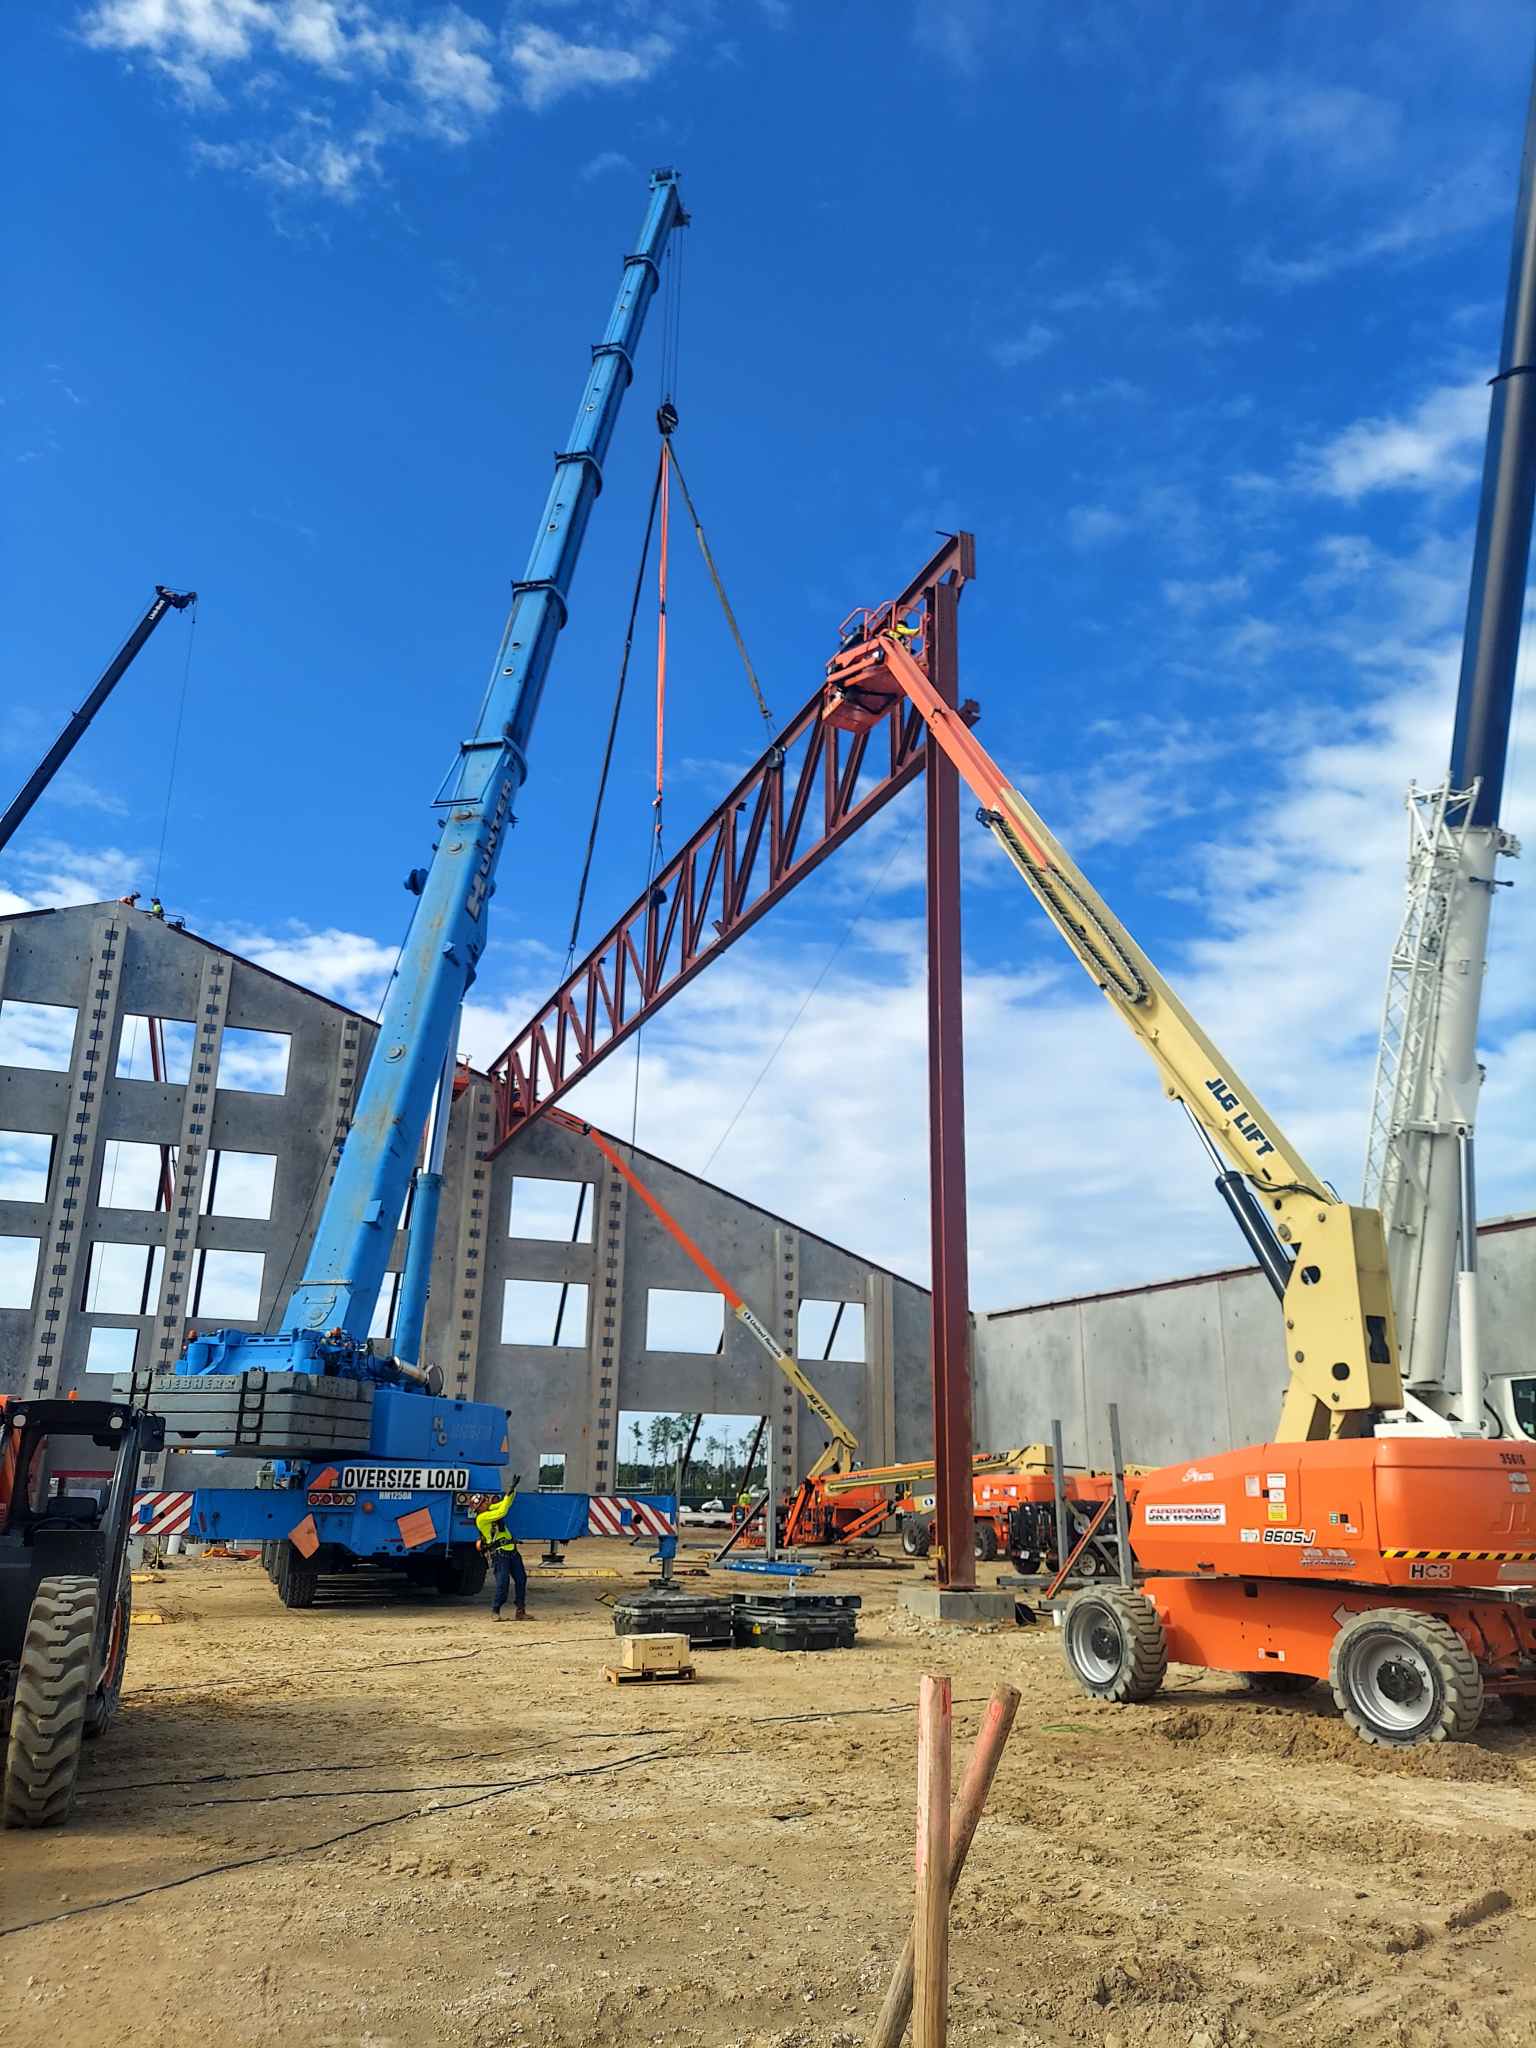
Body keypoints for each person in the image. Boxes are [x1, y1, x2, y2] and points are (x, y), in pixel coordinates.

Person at [475, 1474, 527, 1620]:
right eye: (484, 1502)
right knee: (502, 1583)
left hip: (511, 1551)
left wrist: (512, 1490)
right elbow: (502, 1511)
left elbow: (506, 1503)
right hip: (500, 1554)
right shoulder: (482, 1518)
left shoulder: (489, 1509)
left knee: (521, 1579)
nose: (487, 1503)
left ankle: (520, 1610)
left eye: (485, 1501)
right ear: (479, 1508)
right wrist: (508, 1493)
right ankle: (495, 1611)